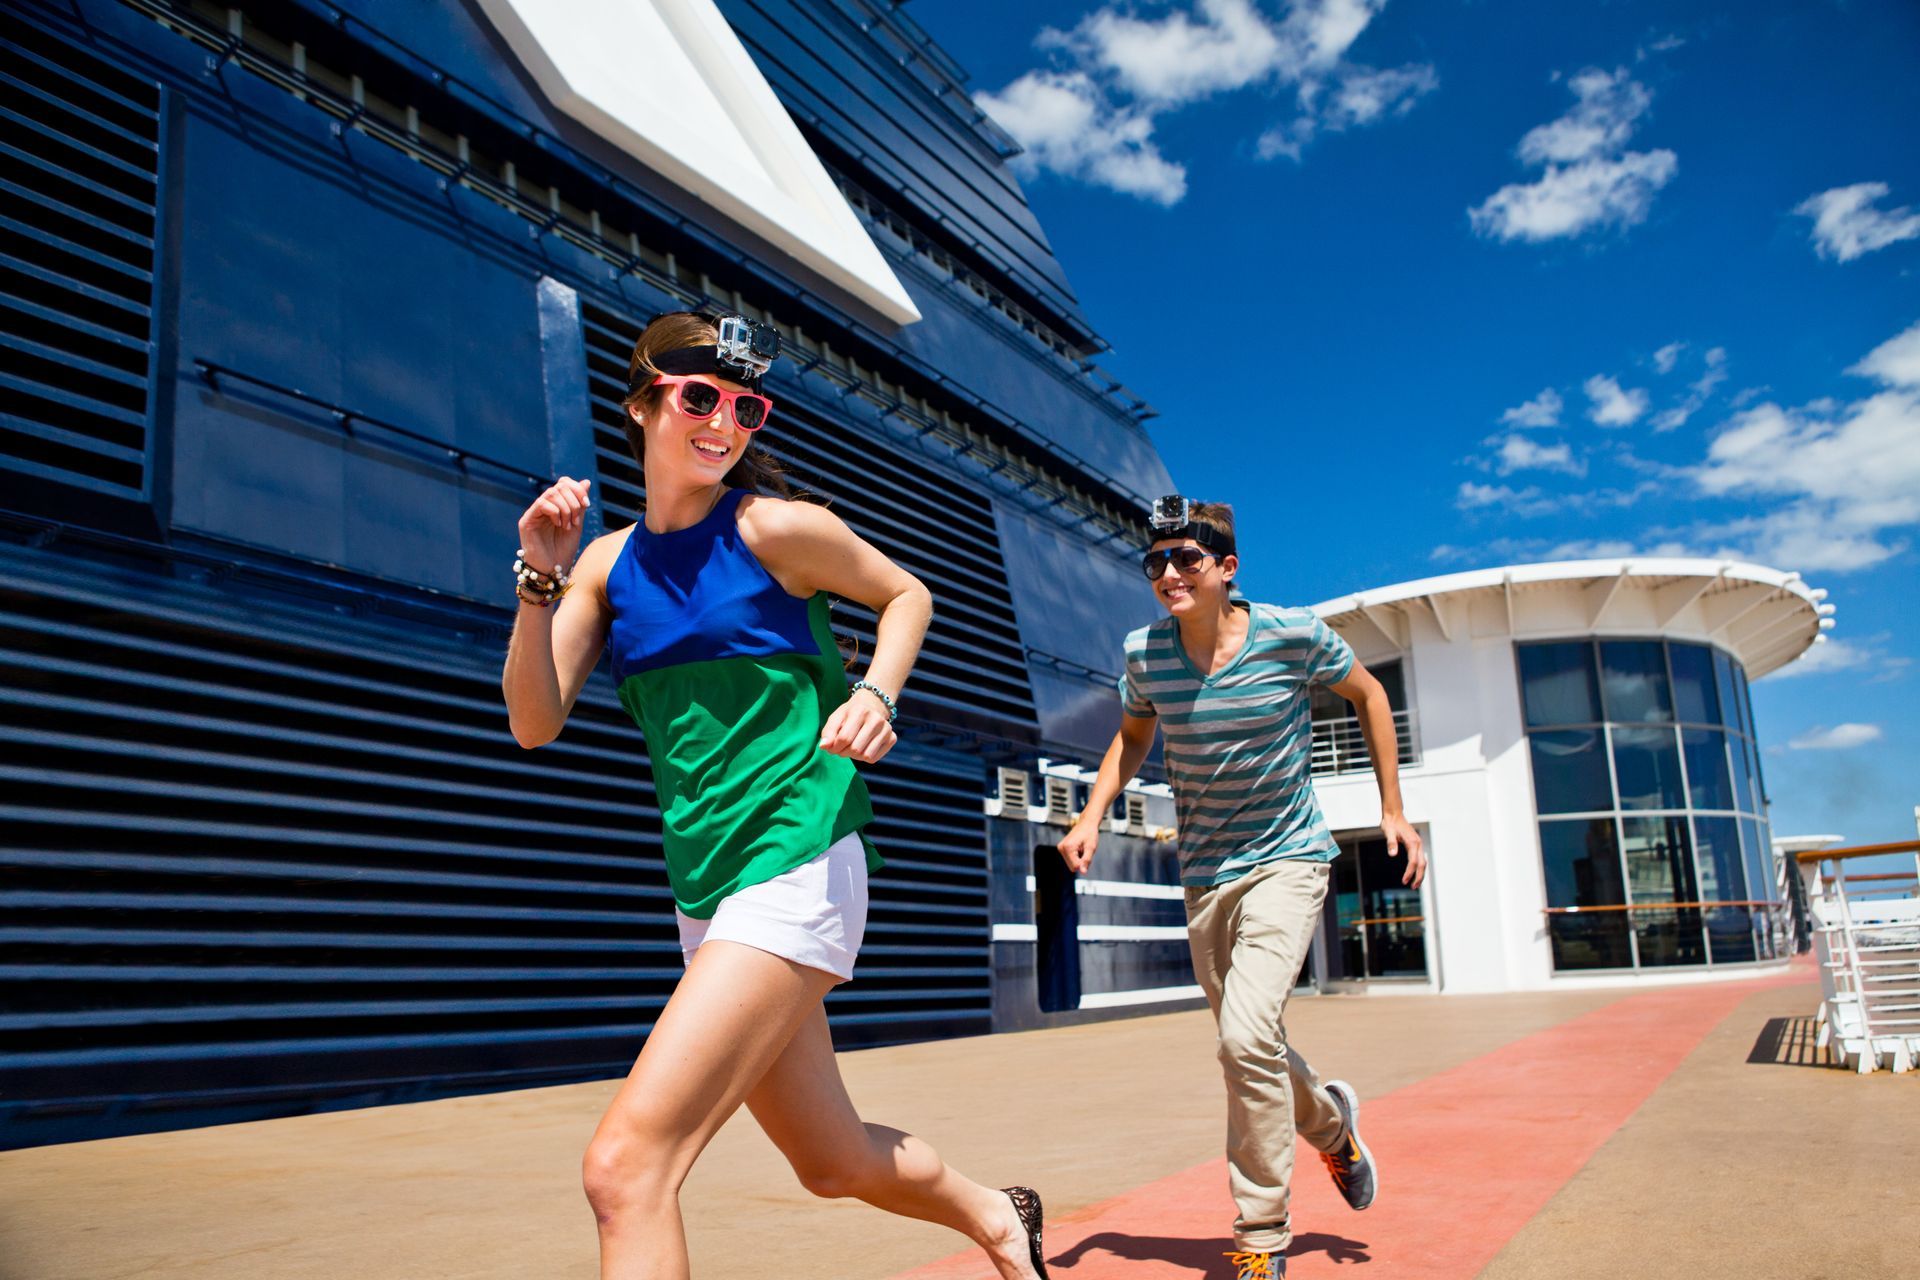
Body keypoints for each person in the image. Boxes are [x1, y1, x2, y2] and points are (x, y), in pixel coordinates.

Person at [502, 310, 1049, 1280]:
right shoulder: (603, 566)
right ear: (642, 406)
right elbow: (535, 719)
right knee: (830, 1160)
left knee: (627, 1168)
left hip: (797, 854)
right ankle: (1000, 1217)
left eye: (745, 406)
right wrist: (539, 579)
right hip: (706, 890)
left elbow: (906, 592)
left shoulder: (773, 529)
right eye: (698, 396)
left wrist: (878, 691)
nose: (724, 420)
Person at [1056, 497, 1426, 1280]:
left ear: (1227, 569)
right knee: (1249, 1043)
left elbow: (1370, 695)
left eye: (1186, 559)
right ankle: (1334, 1130)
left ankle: (1262, 1239)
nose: (1167, 574)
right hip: (1206, 876)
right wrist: (1092, 814)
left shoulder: (1293, 636)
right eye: (1154, 562)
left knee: (1244, 1036)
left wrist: (1393, 808)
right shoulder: (1145, 654)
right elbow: (1132, 735)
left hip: (1289, 859)